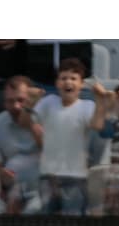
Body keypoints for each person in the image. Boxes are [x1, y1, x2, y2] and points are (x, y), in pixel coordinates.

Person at [30, 57, 111, 215]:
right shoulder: (48, 102)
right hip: (48, 175)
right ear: (57, 83)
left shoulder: (87, 106)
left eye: (74, 78)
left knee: (72, 222)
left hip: (76, 177)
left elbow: (97, 125)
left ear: (81, 84)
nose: (68, 82)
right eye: (64, 78)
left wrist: (100, 100)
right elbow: (30, 121)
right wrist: (29, 103)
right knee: (45, 220)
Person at [0, 75, 42, 214]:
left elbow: (52, 155)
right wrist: (2, 176)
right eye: (10, 101)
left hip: (40, 189)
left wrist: (30, 122)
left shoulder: (46, 118)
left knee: (34, 210)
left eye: (21, 100)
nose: (16, 106)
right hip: (10, 189)